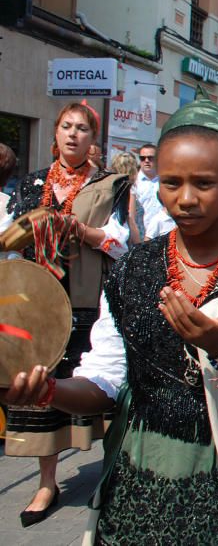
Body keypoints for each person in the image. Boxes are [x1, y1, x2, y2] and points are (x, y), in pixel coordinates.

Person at [3, 100, 218, 543]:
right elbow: (104, 383)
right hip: (137, 476)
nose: (185, 199)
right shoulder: (134, 269)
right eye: (170, 183)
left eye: (204, 183)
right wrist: (49, 391)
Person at [0, 102, 131, 527]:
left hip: (90, 302)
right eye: (66, 127)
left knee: (98, 384)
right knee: (41, 389)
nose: (73, 135)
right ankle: (46, 481)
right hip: (37, 304)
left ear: (94, 139)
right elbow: (9, 242)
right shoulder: (31, 183)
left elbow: (123, 242)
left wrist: (81, 231)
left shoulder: (113, 184)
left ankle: (114, 471)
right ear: (55, 132)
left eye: (82, 129)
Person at [110, 152, 144, 246]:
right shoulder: (129, 190)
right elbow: (130, 220)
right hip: (128, 241)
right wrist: (139, 247)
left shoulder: (112, 188)